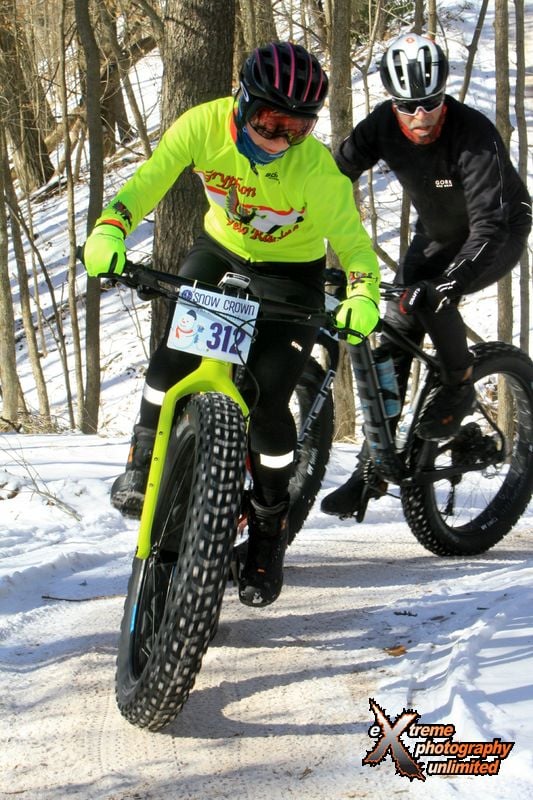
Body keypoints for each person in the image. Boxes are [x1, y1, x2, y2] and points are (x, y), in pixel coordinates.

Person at [81, 42, 380, 607]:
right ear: (242, 102)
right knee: (171, 360)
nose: (280, 139)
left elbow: (355, 247)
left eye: (297, 128)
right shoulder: (202, 126)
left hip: (292, 275)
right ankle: (142, 458)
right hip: (221, 251)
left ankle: (268, 529)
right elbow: (148, 181)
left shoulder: (316, 170)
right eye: (270, 121)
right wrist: (110, 227)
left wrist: (363, 294)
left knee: (267, 405)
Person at [321, 32, 532, 518]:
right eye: (407, 106)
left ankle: (459, 383)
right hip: (436, 234)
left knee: (432, 297)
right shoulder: (381, 125)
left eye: (431, 103)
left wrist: (447, 284)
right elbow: (331, 177)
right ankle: (371, 468)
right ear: (392, 102)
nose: (420, 117)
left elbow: (489, 225)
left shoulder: (473, 133)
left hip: (498, 232)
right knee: (395, 330)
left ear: (444, 96)